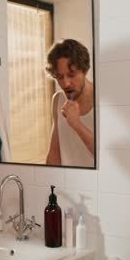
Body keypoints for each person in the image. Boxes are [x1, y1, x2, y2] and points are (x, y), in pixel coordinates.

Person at [45, 39, 94, 167]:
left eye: (71, 75)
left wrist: (77, 124)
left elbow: (107, 155)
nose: (66, 83)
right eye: (60, 77)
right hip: (67, 183)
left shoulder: (101, 100)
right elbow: (54, 154)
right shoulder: (58, 100)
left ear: (85, 70)